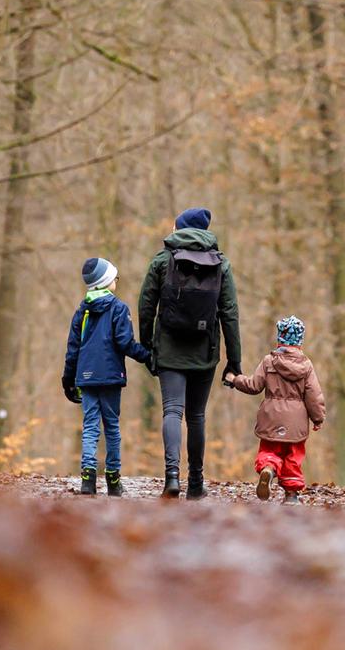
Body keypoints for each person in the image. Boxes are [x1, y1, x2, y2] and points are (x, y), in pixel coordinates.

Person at [136, 207, 240, 499]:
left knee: (172, 410)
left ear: (180, 228)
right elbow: (230, 313)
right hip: (204, 351)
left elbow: (146, 306)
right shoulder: (221, 264)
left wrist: (147, 346)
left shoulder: (162, 260)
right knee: (196, 416)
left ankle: (171, 477)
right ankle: (195, 482)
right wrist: (234, 360)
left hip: (169, 349)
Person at [61, 256, 152, 496]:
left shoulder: (82, 311)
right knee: (111, 427)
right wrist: (148, 356)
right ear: (105, 282)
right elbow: (125, 342)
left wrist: (68, 380)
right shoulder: (118, 308)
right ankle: (113, 479)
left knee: (90, 426)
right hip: (111, 376)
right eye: (114, 278)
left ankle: (88, 479)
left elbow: (73, 349)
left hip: (86, 377)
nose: (116, 281)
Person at [224, 315, 325, 502]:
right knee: (293, 456)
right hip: (296, 422)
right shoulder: (306, 366)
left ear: (280, 338)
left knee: (270, 449)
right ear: (300, 341)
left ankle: (268, 468)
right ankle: (291, 496)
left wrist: (235, 379)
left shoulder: (269, 361)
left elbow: (254, 386)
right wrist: (318, 418)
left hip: (271, 418)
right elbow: (314, 395)